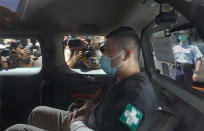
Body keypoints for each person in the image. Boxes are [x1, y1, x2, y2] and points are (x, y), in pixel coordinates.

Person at [6, 26, 157, 131]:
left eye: (108, 50)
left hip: (83, 127)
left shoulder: (138, 99)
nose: (103, 55)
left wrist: (77, 124)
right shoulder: (121, 77)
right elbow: (103, 92)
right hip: (87, 120)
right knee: (38, 112)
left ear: (126, 55)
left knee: (16, 130)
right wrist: (87, 106)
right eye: (102, 49)